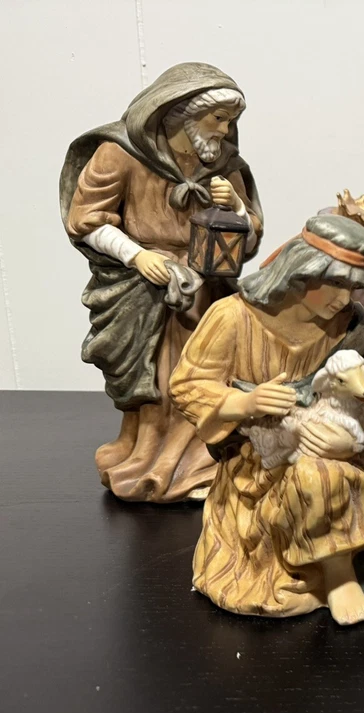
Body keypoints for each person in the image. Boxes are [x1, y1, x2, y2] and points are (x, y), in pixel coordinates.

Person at [169, 213, 364, 626]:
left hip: (333, 454)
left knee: (325, 473)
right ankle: (312, 570)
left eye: (353, 287)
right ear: (301, 270)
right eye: (334, 283)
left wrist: (363, 436)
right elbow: (188, 385)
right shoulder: (233, 317)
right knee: (309, 480)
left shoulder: (354, 327)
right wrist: (244, 403)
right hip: (259, 464)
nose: (343, 298)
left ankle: (338, 573)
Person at [59, 62, 263, 502]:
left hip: (206, 288)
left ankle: (205, 460)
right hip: (145, 289)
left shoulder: (224, 164)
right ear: (180, 113)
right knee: (157, 380)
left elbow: (249, 233)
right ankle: (149, 457)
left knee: (208, 371)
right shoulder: (121, 154)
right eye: (218, 118)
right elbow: (86, 219)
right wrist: (138, 255)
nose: (225, 131)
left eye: (231, 121)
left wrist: (236, 207)